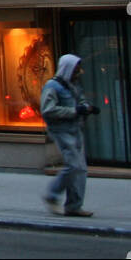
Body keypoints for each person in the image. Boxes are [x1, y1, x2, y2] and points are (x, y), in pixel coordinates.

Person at [41, 53, 97, 217]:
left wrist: (87, 108)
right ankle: (52, 195)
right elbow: (47, 110)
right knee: (73, 165)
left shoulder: (73, 85)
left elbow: (80, 100)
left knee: (80, 169)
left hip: (75, 128)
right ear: (67, 68)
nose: (78, 72)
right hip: (61, 130)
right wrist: (74, 111)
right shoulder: (53, 86)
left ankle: (74, 205)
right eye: (76, 68)